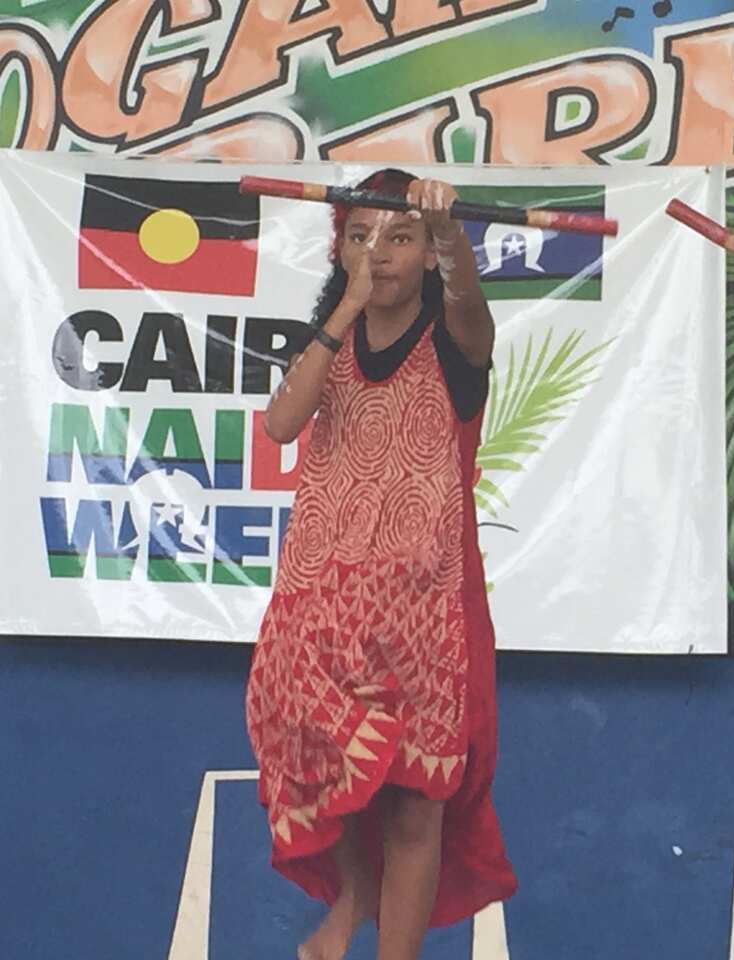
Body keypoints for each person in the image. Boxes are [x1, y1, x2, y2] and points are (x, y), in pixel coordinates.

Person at [245, 168, 517, 960]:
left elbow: (472, 314)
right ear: (341, 247)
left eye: (400, 237)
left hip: (425, 611)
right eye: (361, 236)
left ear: (427, 254)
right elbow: (281, 422)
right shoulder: (332, 334)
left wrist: (453, 235)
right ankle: (348, 913)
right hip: (321, 607)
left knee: (412, 805)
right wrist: (349, 303)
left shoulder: (456, 343)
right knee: (309, 753)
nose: (381, 253)